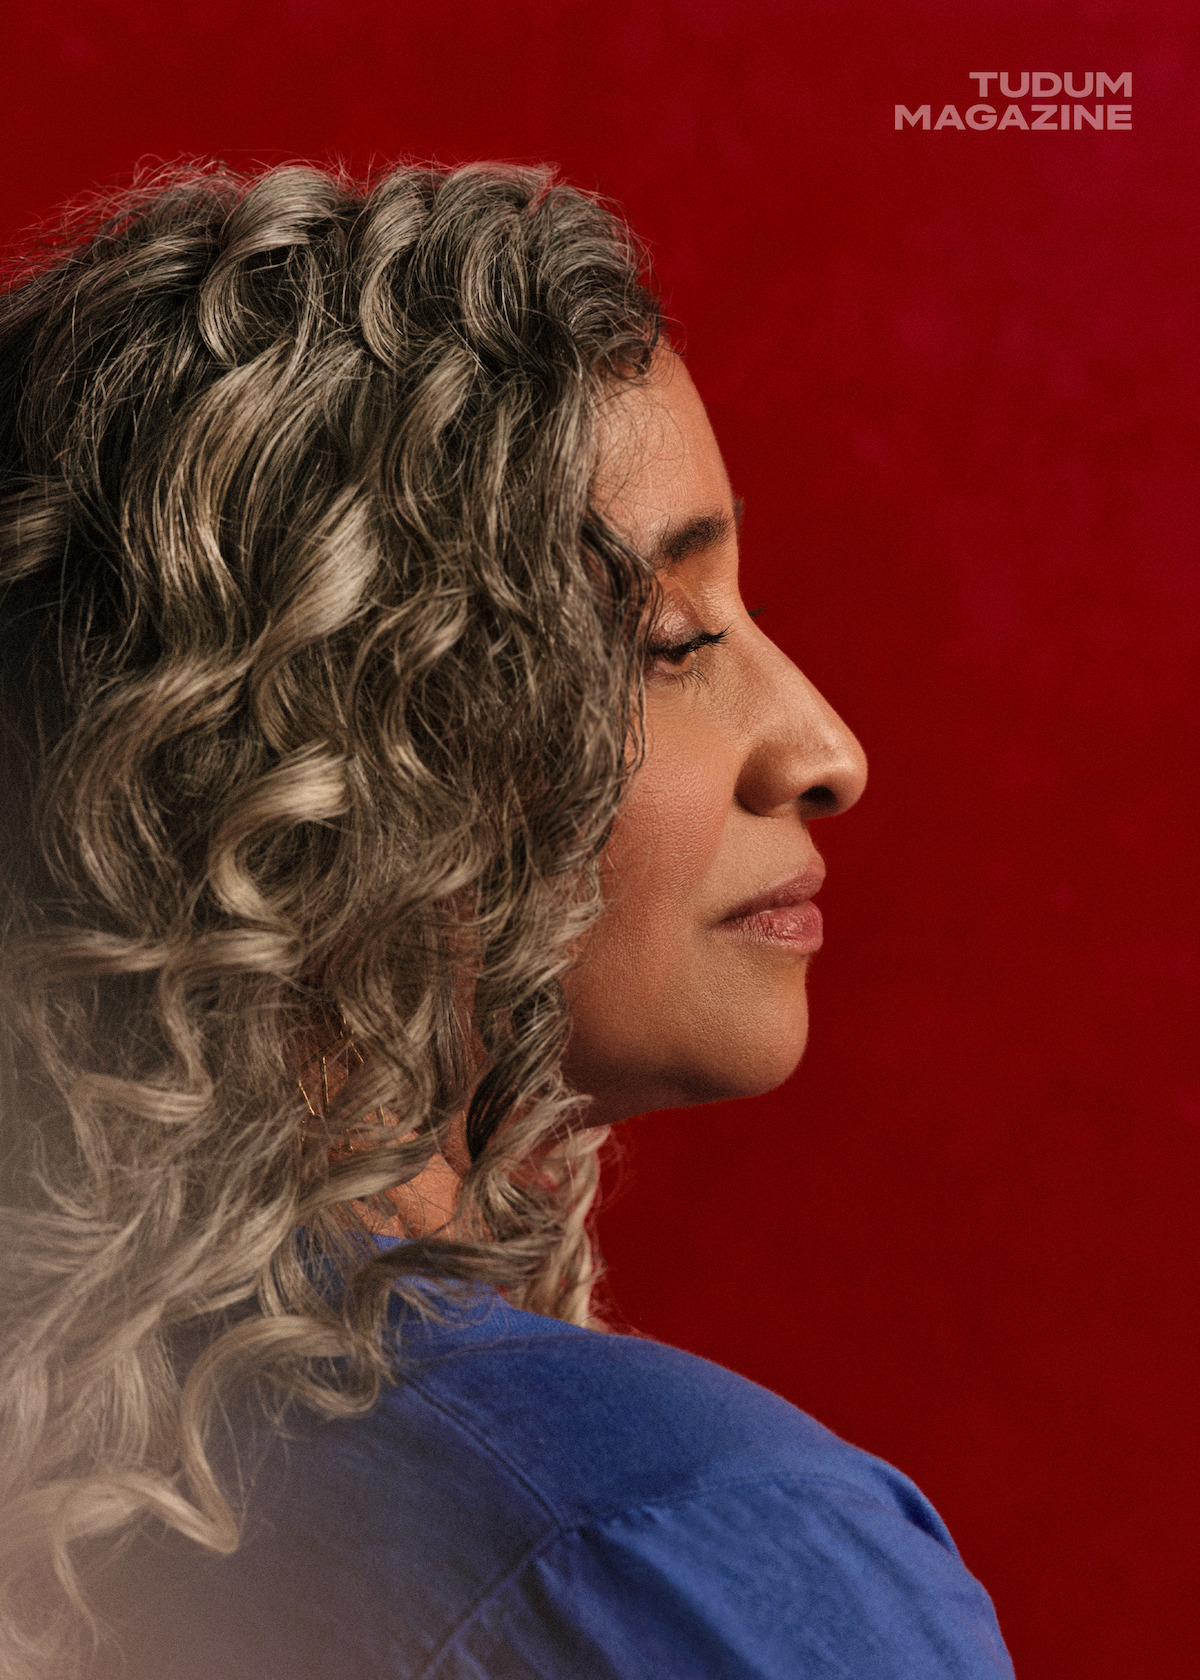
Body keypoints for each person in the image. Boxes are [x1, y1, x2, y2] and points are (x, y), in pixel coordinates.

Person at [0, 160, 1013, 1679]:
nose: (823, 749)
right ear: (329, 769)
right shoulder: (651, 1540)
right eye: (672, 640)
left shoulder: (86, 1488)